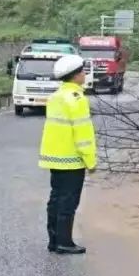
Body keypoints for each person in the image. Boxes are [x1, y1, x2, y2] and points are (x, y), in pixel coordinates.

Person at [38, 54, 97, 255]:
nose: (85, 74)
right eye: (83, 71)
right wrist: (90, 160)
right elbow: (83, 134)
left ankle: (53, 240)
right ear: (76, 75)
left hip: (55, 158)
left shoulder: (56, 97)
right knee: (69, 201)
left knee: (55, 197)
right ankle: (65, 242)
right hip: (72, 159)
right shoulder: (77, 99)